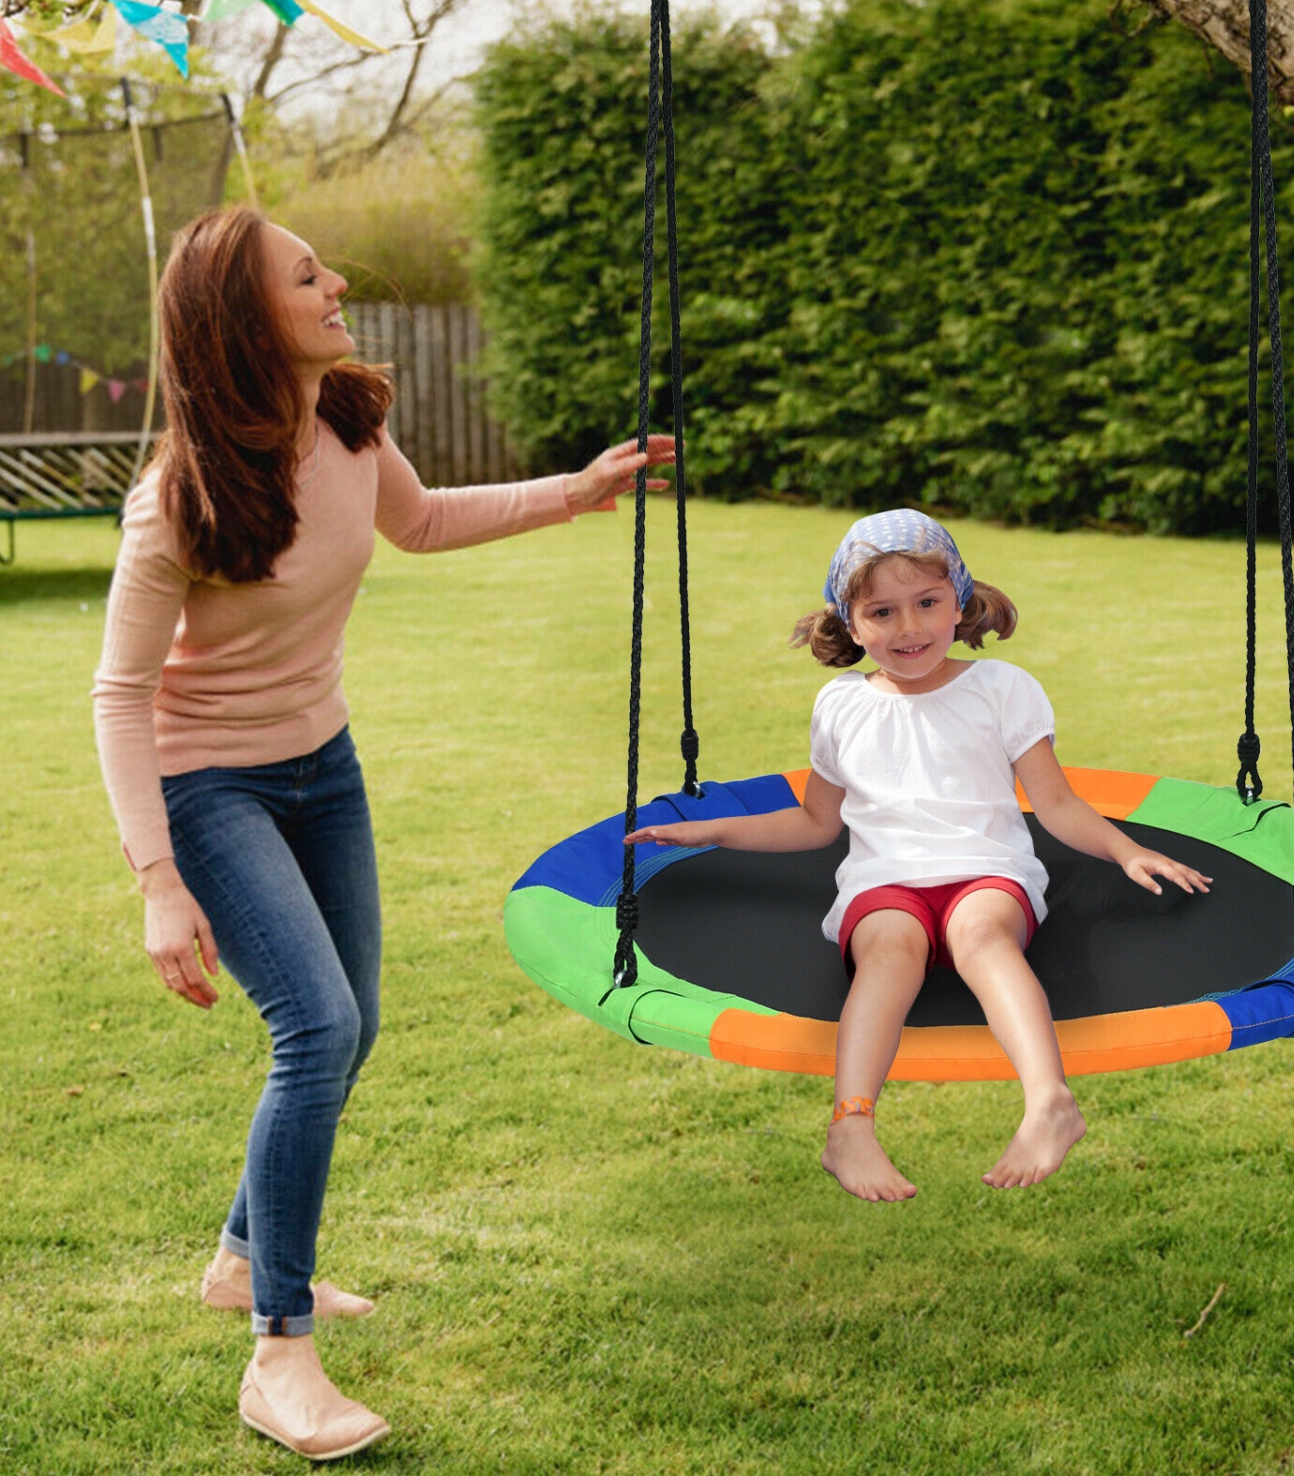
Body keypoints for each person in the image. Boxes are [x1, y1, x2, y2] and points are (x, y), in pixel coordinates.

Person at [92, 204, 675, 1460]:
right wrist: (157, 881)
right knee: (319, 1028)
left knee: (353, 1021)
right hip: (209, 787)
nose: (339, 280)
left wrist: (573, 494)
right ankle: (279, 1356)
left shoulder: (347, 417)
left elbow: (416, 522)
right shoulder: (178, 501)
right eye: (309, 276)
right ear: (248, 323)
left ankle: (242, 1261)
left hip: (324, 766)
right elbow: (119, 694)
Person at [625, 509, 1211, 1205]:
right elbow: (817, 822)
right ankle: (850, 1126)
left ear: (958, 600)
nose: (909, 629)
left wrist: (1126, 849)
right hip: (885, 884)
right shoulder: (842, 705)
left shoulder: (1001, 689)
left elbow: (1056, 805)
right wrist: (713, 831)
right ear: (850, 621)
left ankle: (1050, 1102)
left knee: (980, 934)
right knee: (887, 951)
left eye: (927, 604)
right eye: (883, 611)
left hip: (986, 873)